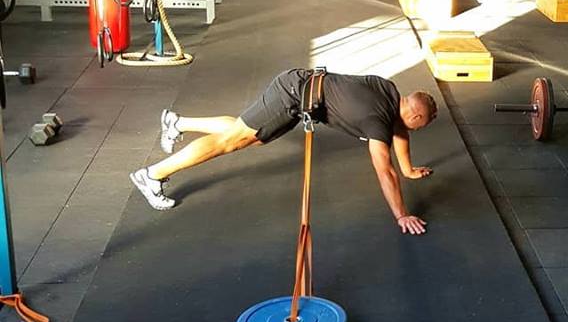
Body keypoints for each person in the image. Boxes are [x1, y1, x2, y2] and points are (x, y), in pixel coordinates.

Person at [129, 69, 437, 234]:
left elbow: (399, 131)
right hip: (291, 95)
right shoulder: (376, 120)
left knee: (249, 134)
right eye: (419, 127)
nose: (412, 131)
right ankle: (152, 175)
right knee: (231, 141)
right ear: (415, 117)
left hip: (299, 92)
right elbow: (384, 169)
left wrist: (409, 170)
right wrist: (401, 215)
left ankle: (177, 123)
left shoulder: (388, 90)